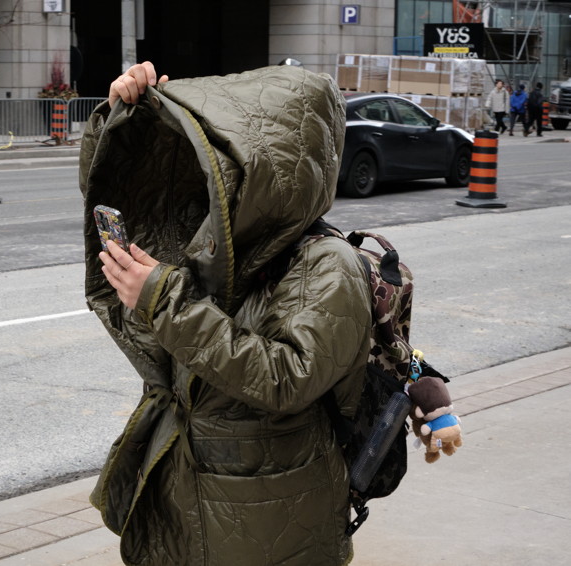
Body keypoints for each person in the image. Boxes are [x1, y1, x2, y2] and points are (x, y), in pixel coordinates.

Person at [81, 61, 373, 565]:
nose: (208, 175)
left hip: (269, 512)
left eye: (223, 161)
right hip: (190, 485)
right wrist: (123, 119)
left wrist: (163, 299)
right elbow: (133, 192)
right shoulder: (224, 240)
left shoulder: (328, 264)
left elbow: (288, 377)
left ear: (270, 174)